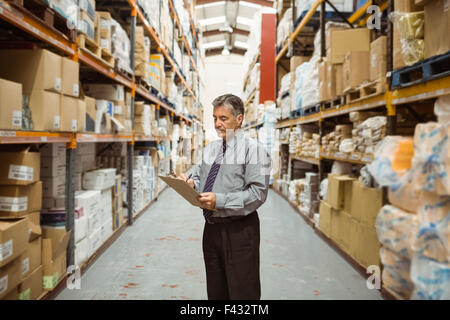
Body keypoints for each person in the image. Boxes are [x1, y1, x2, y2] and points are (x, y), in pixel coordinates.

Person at [179, 94, 272, 300]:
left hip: (239, 230)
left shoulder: (254, 151)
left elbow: (258, 194)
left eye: (223, 118)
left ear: (239, 119)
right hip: (211, 229)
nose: (217, 124)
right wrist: (190, 182)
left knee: (242, 292)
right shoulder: (211, 148)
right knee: (216, 290)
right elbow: (199, 174)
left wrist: (219, 201)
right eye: (214, 118)